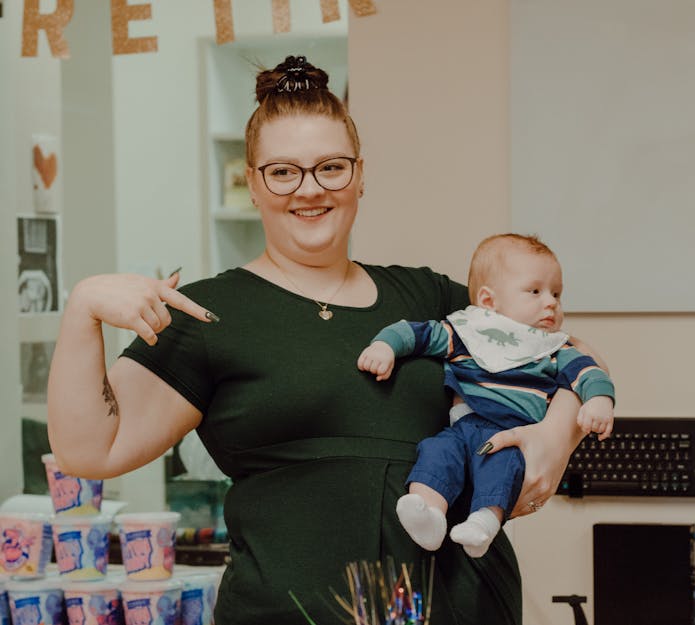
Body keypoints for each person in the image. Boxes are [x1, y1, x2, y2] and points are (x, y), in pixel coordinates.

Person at [47, 56, 602, 625]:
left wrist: (556, 434)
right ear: (254, 184)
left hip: (463, 606)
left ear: (361, 175)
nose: (309, 190)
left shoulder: (430, 299)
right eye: (283, 171)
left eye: (331, 168)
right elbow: (89, 449)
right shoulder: (209, 313)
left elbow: (565, 354)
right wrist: (82, 311)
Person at [358, 234, 615, 558]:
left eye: (557, 294)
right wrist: (385, 346)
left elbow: (589, 371)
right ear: (489, 301)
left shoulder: (552, 349)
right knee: (436, 451)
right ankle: (430, 512)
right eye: (535, 291)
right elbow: (416, 333)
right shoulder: (469, 332)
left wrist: (598, 400)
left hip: (509, 433)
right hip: (462, 426)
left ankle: (484, 523)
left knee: (502, 465)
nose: (550, 302)